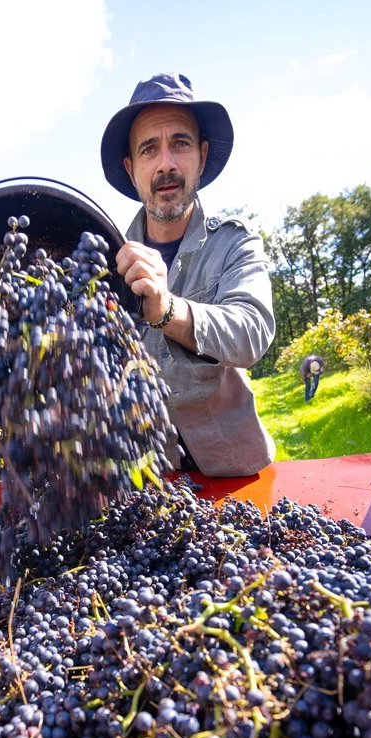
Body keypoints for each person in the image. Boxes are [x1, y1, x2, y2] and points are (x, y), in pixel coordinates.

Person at [101, 72, 276, 477]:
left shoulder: (234, 243)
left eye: (179, 143)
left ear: (201, 154)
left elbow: (252, 331)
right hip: (146, 484)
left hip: (234, 473)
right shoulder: (103, 266)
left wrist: (168, 311)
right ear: (131, 169)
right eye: (149, 150)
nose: (166, 164)